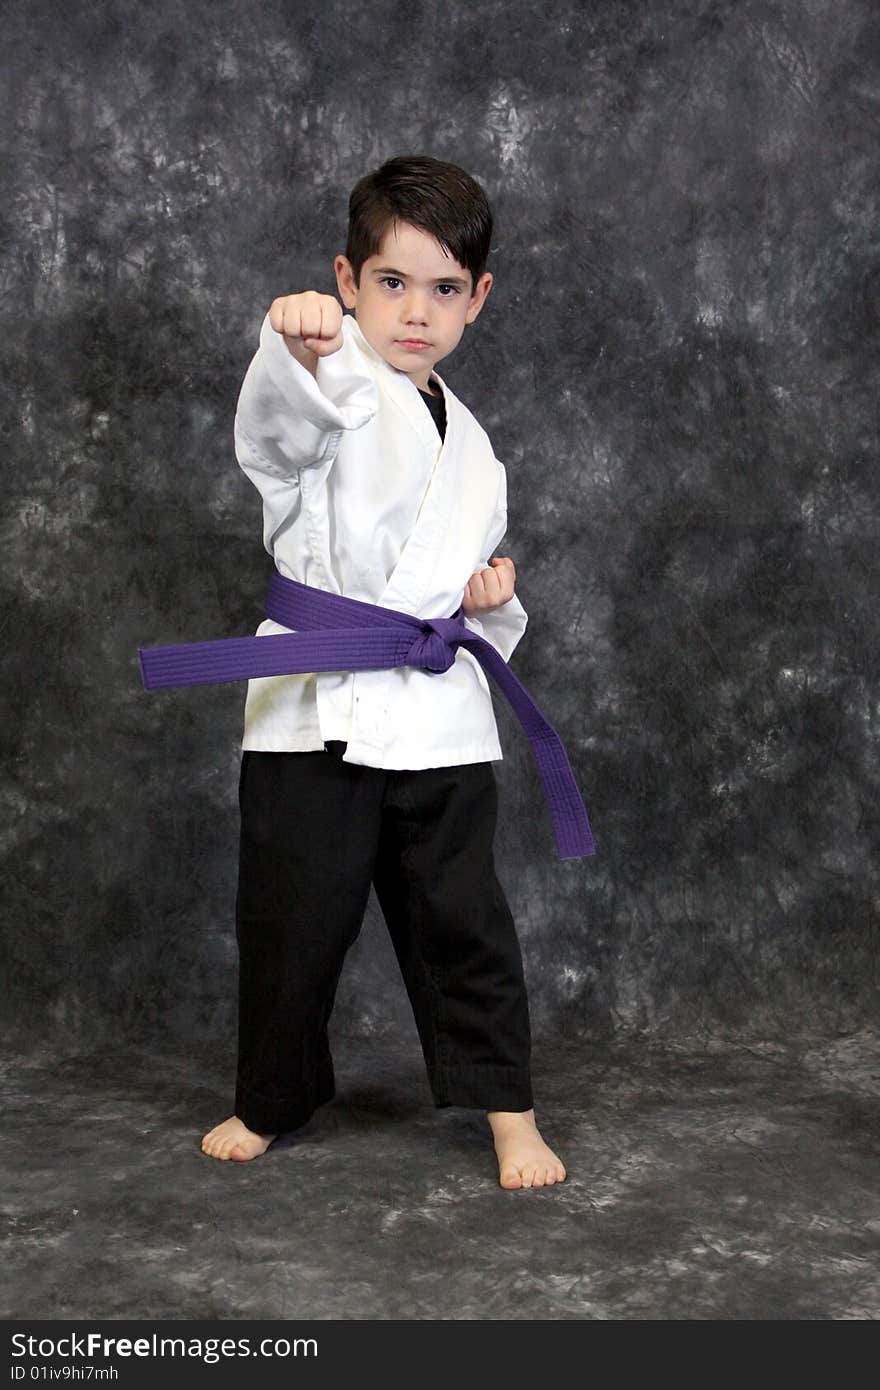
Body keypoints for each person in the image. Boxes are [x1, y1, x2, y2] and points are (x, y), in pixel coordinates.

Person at [200, 154, 567, 1189]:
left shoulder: (478, 449)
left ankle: (509, 1112)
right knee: (293, 914)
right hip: (312, 701)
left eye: (444, 288)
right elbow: (274, 442)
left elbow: (454, 592)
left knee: (466, 922)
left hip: (436, 712)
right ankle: (269, 1099)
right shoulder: (331, 373)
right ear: (348, 280)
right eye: (390, 283)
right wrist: (296, 340)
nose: (416, 311)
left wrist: (487, 605)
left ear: (477, 299)